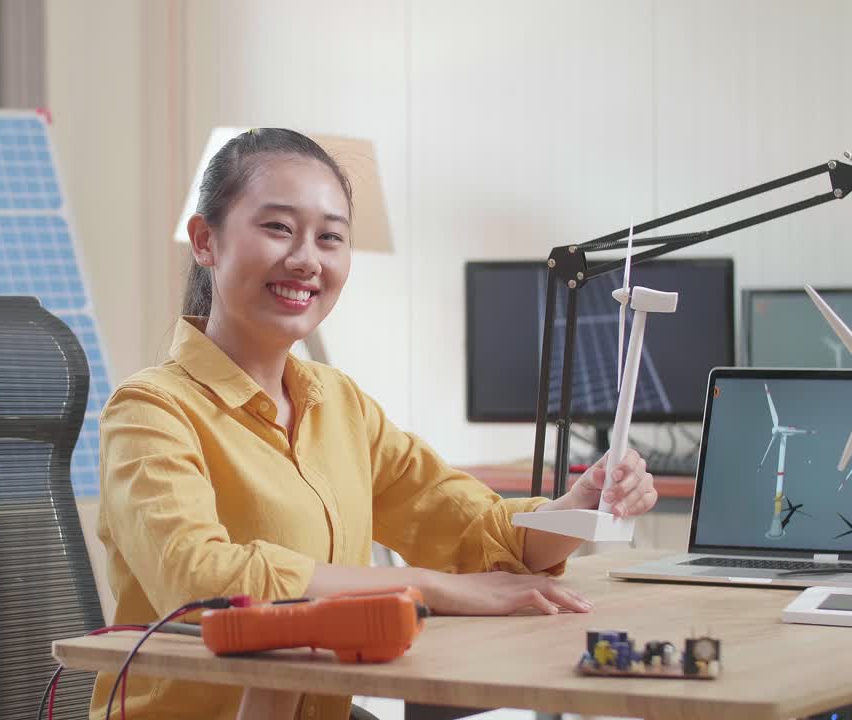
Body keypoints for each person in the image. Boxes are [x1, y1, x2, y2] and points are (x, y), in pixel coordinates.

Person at [89, 128, 657, 720]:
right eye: (279, 227)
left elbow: (472, 534)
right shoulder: (150, 411)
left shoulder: (340, 403)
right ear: (205, 241)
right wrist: (423, 587)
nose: (307, 259)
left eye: (330, 237)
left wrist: (581, 503)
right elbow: (198, 582)